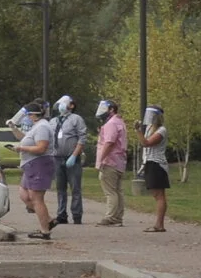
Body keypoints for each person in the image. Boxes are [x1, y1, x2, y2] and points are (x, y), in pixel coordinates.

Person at [16, 101, 56, 240]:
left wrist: (22, 149)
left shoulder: (42, 127)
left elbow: (41, 148)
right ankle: (49, 220)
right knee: (24, 195)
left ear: (33, 115)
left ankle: (45, 231)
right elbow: (23, 138)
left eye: (27, 114)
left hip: (39, 164)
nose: (25, 117)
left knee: (36, 198)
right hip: (30, 165)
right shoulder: (36, 126)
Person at [51, 95, 87, 225]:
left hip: (72, 158)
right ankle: (61, 214)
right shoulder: (54, 121)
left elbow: (82, 138)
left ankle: (77, 215)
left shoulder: (76, 119)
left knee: (75, 188)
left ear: (71, 105)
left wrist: (74, 155)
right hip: (57, 158)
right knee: (60, 188)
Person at [93, 99, 129, 226]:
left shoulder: (111, 124)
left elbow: (109, 143)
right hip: (119, 161)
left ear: (111, 109)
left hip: (110, 161)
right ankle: (118, 217)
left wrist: (100, 160)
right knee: (118, 190)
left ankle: (111, 217)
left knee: (110, 191)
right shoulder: (120, 122)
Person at [139, 105, 170, 232]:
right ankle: (158, 224)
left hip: (157, 164)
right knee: (155, 194)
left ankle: (159, 224)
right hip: (149, 162)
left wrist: (137, 131)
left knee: (159, 195)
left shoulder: (161, 130)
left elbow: (146, 143)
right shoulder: (150, 128)